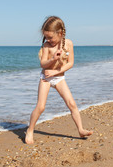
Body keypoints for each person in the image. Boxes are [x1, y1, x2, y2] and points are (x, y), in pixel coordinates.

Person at [25, 16, 93, 144]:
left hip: (59, 77)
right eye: (46, 37)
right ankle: (30, 130)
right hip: (45, 78)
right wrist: (53, 60)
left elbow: (70, 63)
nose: (48, 40)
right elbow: (43, 64)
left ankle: (80, 129)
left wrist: (56, 71)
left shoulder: (68, 44)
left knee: (71, 103)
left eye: (50, 37)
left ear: (60, 33)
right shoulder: (46, 46)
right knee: (41, 107)